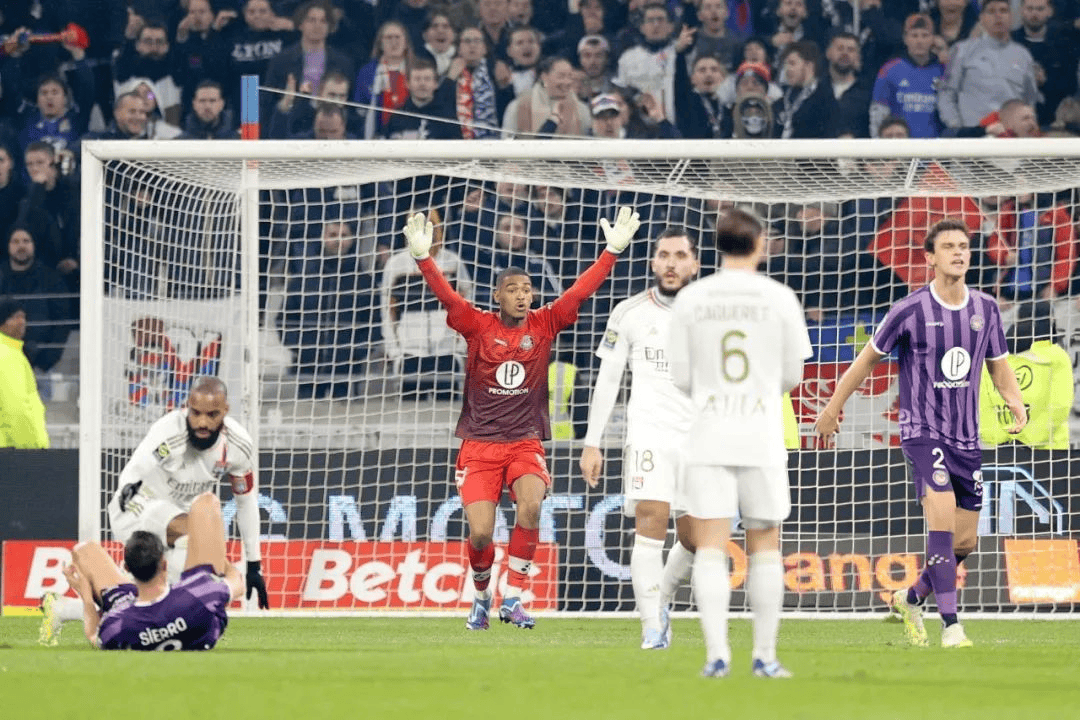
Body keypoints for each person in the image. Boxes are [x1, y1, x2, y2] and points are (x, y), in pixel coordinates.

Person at [402, 205, 640, 630]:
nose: (522, 295)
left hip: (525, 442)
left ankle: (513, 597)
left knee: (530, 507)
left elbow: (578, 294)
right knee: (480, 534)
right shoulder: (477, 325)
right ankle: (481, 597)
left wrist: (611, 252)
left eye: (527, 289)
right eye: (512, 289)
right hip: (479, 445)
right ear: (498, 296)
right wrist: (424, 259)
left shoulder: (544, 324)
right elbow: (448, 297)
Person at [814, 218, 1027, 648]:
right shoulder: (909, 310)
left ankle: (910, 598)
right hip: (922, 431)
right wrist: (831, 409)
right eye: (948, 246)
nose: (958, 253)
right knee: (941, 517)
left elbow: (998, 363)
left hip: (967, 437)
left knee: (964, 542)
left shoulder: (986, 309)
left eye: (964, 246)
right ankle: (951, 626)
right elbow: (865, 361)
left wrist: (1015, 399)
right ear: (930, 257)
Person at [667, 208, 812, 678]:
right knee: (765, 545)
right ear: (759, 243)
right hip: (761, 434)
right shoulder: (780, 297)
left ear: (717, 245)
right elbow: (793, 375)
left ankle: (717, 656)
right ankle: (765, 657)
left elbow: (681, 376)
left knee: (711, 546)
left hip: (709, 432)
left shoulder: (691, 299)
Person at [38, 376, 268, 646]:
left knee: (166, 595)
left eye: (212, 415)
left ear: (225, 411)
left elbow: (246, 501)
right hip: (139, 507)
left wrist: (254, 564)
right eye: (196, 413)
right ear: (187, 407)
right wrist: (129, 490)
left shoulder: (238, 446)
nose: (202, 423)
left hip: (179, 518)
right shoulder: (169, 433)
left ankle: (63, 608)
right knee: (202, 534)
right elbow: (137, 469)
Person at [579, 228, 700, 649]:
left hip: (700, 440)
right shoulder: (629, 312)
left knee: (696, 539)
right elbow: (608, 379)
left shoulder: (713, 313)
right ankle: (651, 625)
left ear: (695, 263)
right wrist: (592, 442)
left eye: (680, 255)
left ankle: (660, 599)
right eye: (663, 255)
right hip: (649, 433)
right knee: (650, 523)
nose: (671, 263)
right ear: (653, 262)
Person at [50, 491, 244, 650]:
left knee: (83, 550)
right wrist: (213, 553)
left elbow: (93, 635)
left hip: (133, 611)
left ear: (127, 569)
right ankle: (68, 608)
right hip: (187, 605)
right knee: (206, 502)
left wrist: (86, 595)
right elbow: (238, 582)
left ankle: (70, 608)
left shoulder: (118, 624)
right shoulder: (202, 593)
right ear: (164, 564)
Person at [937, 0, 1038, 132]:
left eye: (1003, 11)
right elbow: (946, 94)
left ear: (1011, 16)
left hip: (1012, 137)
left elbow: (1030, 101)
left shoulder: (1023, 55)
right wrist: (958, 129)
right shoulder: (962, 50)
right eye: (991, 11)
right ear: (981, 18)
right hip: (975, 136)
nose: (998, 16)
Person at [870, 13, 944, 138]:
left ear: (933, 39)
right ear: (905, 38)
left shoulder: (943, 70)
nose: (919, 41)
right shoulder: (889, 70)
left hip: (934, 145)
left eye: (925, 35)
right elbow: (878, 114)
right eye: (914, 35)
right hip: (900, 145)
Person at [0, 298, 49, 449]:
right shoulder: (6, 355)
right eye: (15, 317)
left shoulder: (13, 353)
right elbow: (15, 408)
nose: (22, 322)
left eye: (23, 317)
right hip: (13, 450)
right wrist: (30, 449)